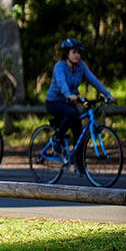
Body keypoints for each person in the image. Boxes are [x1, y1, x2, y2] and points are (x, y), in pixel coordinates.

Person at [45, 38, 115, 174]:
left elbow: (93, 80)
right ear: (66, 53)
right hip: (54, 102)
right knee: (73, 114)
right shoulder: (59, 66)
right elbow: (61, 83)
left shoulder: (80, 66)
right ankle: (57, 138)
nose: (77, 55)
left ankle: (80, 165)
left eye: (78, 52)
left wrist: (107, 94)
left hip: (70, 102)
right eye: (74, 52)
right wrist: (68, 95)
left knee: (79, 132)